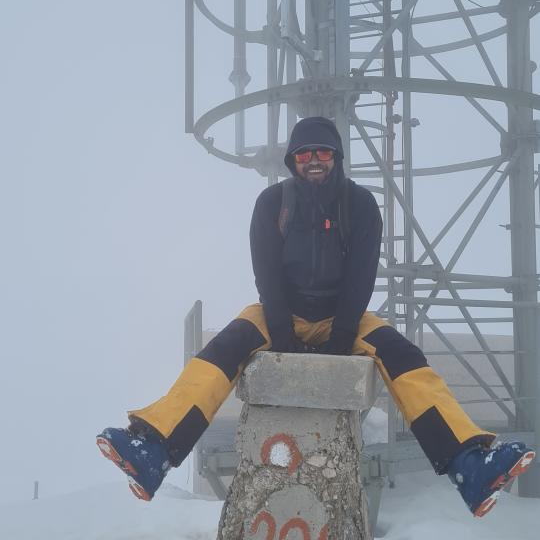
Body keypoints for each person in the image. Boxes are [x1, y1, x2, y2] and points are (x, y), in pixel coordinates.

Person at [97, 116, 534, 517]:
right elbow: (266, 273)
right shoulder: (272, 203)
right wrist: (281, 334)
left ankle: (468, 462)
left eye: (323, 152)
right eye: (304, 154)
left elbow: (362, 276)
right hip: (280, 310)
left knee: (404, 357)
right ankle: (154, 449)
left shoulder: (360, 205)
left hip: (342, 313)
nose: (313, 161)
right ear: (293, 160)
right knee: (222, 350)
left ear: (336, 157)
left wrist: (342, 337)